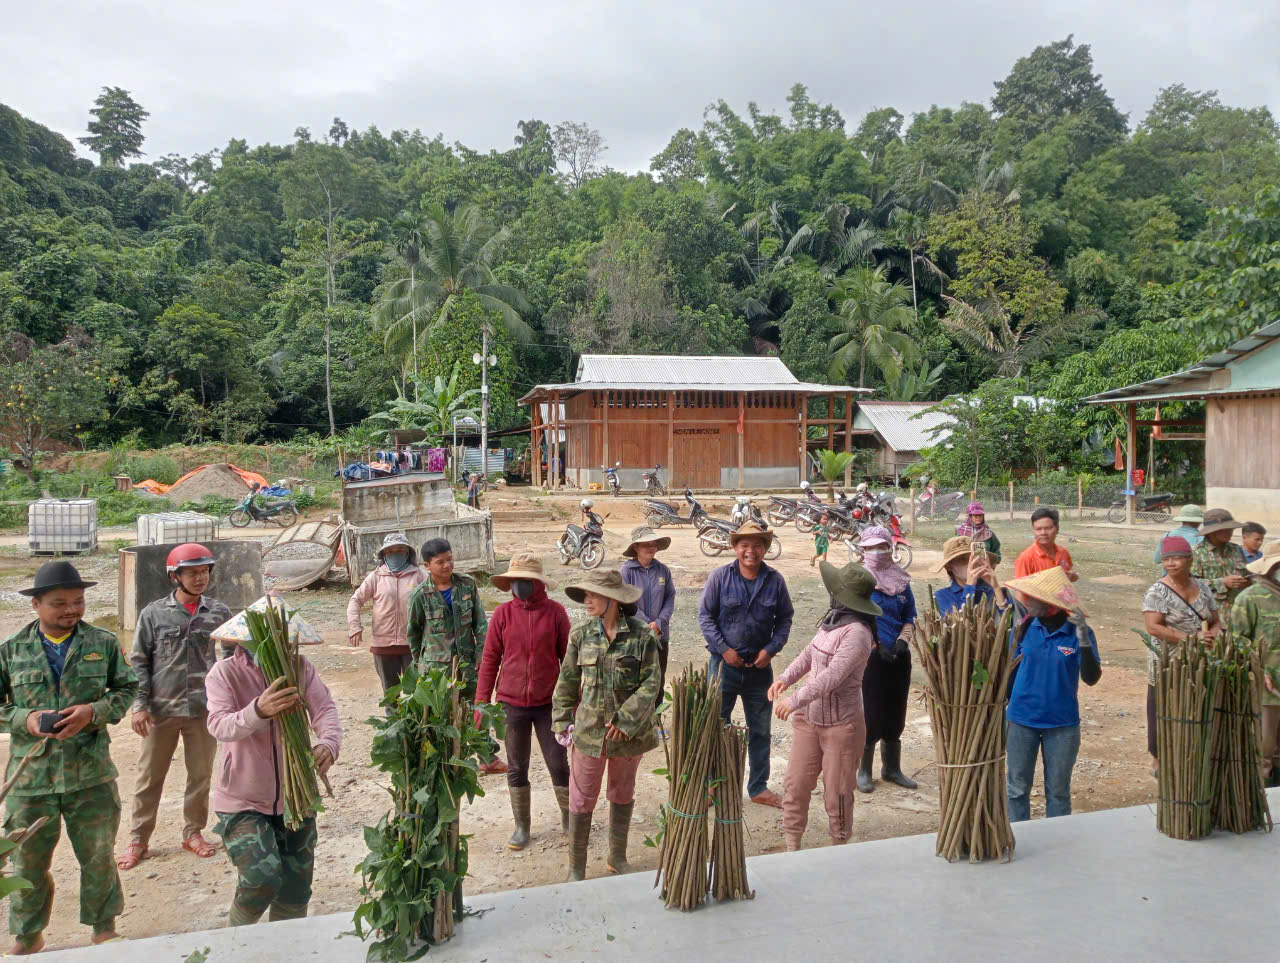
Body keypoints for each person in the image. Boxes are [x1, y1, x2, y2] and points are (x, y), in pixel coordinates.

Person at [0, 561, 137, 954]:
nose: (71, 610)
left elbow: (127, 689)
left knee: (98, 855)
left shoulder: (102, 643)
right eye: (59, 603)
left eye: (77, 602)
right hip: (31, 778)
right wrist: (26, 719)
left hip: (90, 774)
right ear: (36, 605)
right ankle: (28, 936)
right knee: (27, 861)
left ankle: (103, 928)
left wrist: (93, 712)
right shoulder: (11, 651)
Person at [205, 605, 342, 926]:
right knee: (261, 878)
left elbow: (325, 710)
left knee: (296, 890)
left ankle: (287, 945)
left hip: (297, 797)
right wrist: (258, 710)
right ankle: (236, 941)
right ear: (244, 638)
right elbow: (219, 725)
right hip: (243, 799)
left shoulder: (300, 667)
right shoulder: (224, 673)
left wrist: (328, 743)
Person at [117, 544, 232, 873]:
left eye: (204, 571)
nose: (200, 578)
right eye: (192, 573)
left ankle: (192, 833)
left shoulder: (219, 612)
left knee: (200, 775)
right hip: (161, 710)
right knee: (149, 777)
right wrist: (139, 706)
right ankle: (139, 839)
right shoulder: (153, 614)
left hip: (203, 710)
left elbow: (232, 658)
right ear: (174, 577)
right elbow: (139, 662)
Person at [552, 569, 660, 881]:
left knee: (622, 792)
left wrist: (626, 720)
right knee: (581, 797)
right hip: (589, 732)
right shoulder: (581, 634)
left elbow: (651, 683)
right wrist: (561, 720)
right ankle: (576, 869)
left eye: (593, 595)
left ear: (612, 599)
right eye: (585, 595)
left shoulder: (642, 635)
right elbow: (567, 680)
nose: (587, 600)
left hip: (629, 734)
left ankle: (617, 857)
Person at [768, 561, 878, 851]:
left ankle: (838, 849)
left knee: (837, 794)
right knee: (795, 785)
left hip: (842, 726)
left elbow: (833, 676)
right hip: (809, 720)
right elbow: (809, 654)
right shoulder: (834, 620)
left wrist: (795, 699)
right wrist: (785, 678)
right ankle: (792, 847)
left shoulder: (858, 633)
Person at [475, 554, 571, 850]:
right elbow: (490, 659)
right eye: (515, 580)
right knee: (517, 767)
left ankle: (570, 820)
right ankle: (522, 826)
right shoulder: (502, 614)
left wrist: (573, 703)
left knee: (558, 763)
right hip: (511, 703)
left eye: (526, 580)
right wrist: (481, 701)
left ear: (538, 583)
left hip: (549, 704)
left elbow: (569, 662)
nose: (520, 585)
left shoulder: (556, 613)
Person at [697, 521, 794, 808]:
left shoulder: (775, 581)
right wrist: (724, 649)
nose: (751, 551)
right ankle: (711, 786)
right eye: (744, 545)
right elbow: (705, 617)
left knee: (761, 730)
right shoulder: (720, 577)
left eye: (757, 545)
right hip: (723, 667)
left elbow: (785, 619)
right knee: (716, 726)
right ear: (735, 547)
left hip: (759, 670)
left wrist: (771, 650)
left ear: (765, 548)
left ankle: (758, 787)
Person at [1003, 567, 1101, 821]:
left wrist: (1084, 641)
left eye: (1033, 597)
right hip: (1021, 720)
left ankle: (1058, 840)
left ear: (1052, 604)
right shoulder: (1024, 628)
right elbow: (1010, 672)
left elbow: (1091, 678)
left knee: (1058, 793)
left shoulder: (1079, 632)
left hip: (1062, 725)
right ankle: (1019, 838)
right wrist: (1004, 710)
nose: (1027, 601)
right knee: (1016, 790)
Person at [408, 538, 506, 774]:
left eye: (450, 559)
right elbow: (414, 634)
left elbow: (480, 623)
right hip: (437, 671)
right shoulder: (420, 595)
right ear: (427, 566)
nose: (447, 565)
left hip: (468, 664)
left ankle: (487, 757)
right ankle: (442, 762)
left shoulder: (467, 585)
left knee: (477, 709)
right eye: (440, 562)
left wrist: (482, 654)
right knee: (440, 716)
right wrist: (420, 665)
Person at [1142, 536, 1221, 769]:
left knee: (1196, 706)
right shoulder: (1157, 592)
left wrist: (1213, 633)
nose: (1170, 563)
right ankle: (1159, 761)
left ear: (1190, 560)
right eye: (1166, 559)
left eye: (1176, 558)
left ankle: (1191, 757)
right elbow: (1153, 627)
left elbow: (1216, 620)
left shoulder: (1202, 588)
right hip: (1167, 663)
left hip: (1198, 662)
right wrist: (1191, 638)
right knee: (1162, 708)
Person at [856, 526, 918, 794]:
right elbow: (854, 619)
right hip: (870, 657)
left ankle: (892, 769)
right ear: (863, 550)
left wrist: (903, 641)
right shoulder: (859, 581)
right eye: (870, 548)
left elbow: (910, 615)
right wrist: (876, 644)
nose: (876, 552)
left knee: (896, 710)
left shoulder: (901, 580)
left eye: (881, 546)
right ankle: (864, 770)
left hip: (899, 657)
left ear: (890, 548)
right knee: (870, 711)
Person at [346, 532, 425, 693]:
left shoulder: (419, 576)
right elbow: (356, 600)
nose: (395, 554)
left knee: (417, 693)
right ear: (384, 555)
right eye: (390, 551)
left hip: (413, 645)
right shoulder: (375, 577)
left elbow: (435, 601)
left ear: (407, 553)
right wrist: (354, 626)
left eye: (400, 550)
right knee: (390, 694)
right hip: (383, 645)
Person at [1234, 548, 1280, 785]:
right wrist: (1256, 668)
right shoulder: (1249, 598)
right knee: (1264, 748)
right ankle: (1262, 794)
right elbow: (1237, 641)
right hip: (1267, 689)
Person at [620, 527, 676, 704]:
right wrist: (646, 624)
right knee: (635, 681)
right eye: (646, 544)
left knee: (657, 681)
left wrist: (659, 622)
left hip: (660, 636)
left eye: (654, 544)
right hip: (635, 636)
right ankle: (636, 719)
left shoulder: (663, 570)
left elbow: (670, 597)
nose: (651, 548)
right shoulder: (627, 571)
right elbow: (625, 601)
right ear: (636, 547)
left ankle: (655, 718)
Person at [1191, 509, 1250, 612]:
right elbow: (1190, 584)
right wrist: (1222, 582)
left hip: (1239, 611)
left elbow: (1247, 574)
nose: (1230, 532)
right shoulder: (1197, 553)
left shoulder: (1236, 549)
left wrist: (1247, 581)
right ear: (1212, 532)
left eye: (1231, 529)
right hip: (1212, 614)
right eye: (1226, 529)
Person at [933, 535, 1009, 615]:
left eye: (972, 558)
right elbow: (960, 620)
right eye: (962, 559)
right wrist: (970, 585)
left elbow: (1008, 619)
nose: (970, 564)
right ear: (949, 566)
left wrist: (996, 587)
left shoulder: (988, 591)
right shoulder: (941, 596)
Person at [1015, 507, 1077, 582]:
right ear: (1033, 531)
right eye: (1038, 529)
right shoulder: (1026, 558)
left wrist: (1074, 577)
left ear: (1057, 529)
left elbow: (1071, 576)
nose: (1043, 533)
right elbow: (1020, 588)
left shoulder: (1064, 552)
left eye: (1048, 528)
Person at [955, 501, 1001, 566]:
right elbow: (955, 551)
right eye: (975, 515)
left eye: (980, 515)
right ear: (970, 517)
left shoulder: (988, 532)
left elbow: (996, 549)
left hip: (985, 566)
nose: (978, 517)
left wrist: (994, 561)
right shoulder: (962, 532)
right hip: (965, 566)